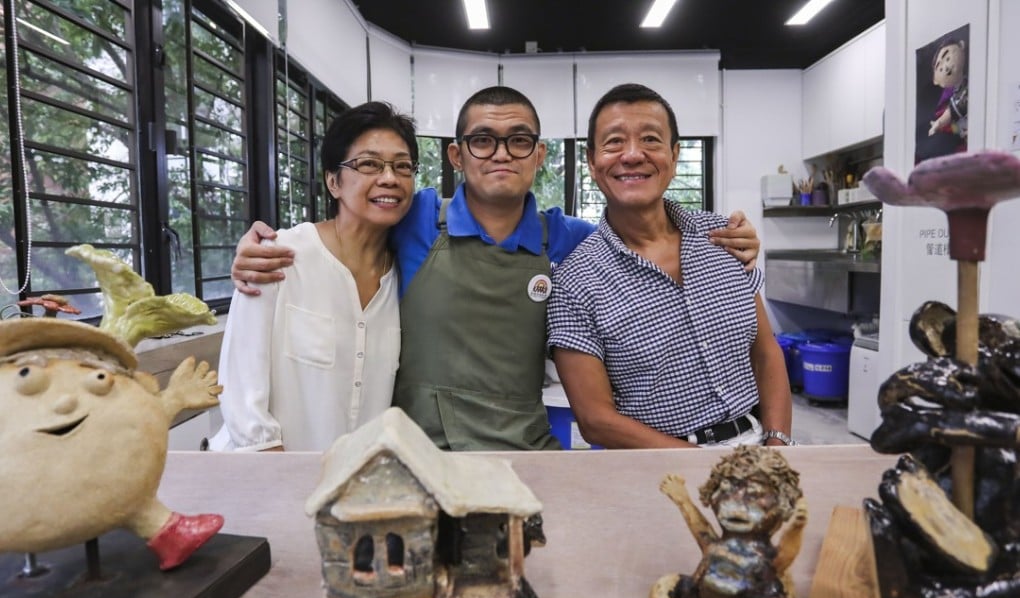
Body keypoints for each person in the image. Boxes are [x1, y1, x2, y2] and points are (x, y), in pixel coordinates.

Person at [230, 86, 762, 451]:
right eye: (483, 140)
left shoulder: (573, 241)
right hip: (421, 455)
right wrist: (264, 243)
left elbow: (650, 248)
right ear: (458, 157)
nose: (501, 153)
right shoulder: (415, 218)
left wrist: (730, 242)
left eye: (519, 141)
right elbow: (352, 216)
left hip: (528, 451)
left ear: (540, 156)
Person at [546, 83, 792, 449]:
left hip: (761, 445)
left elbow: (765, 349)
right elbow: (596, 421)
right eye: (614, 142)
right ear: (592, 162)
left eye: (651, 139)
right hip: (658, 464)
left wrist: (778, 445)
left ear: (674, 156)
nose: (632, 155)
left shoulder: (722, 237)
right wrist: (704, 466)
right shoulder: (575, 281)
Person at [209, 101, 416, 451]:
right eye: (368, 164)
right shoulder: (277, 256)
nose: (389, 178)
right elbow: (241, 393)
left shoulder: (405, 275)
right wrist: (283, 481)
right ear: (333, 181)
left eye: (402, 166)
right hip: (264, 480)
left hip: (350, 488)